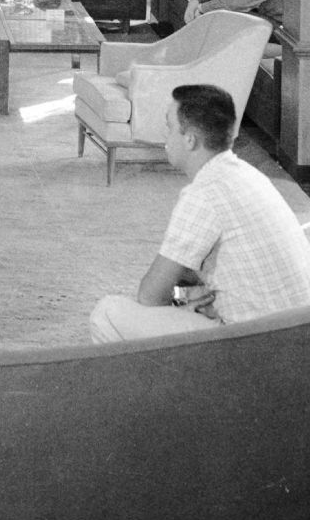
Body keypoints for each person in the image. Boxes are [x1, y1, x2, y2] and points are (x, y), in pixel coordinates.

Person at [90, 84, 310, 343]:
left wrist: (181, 305)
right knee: (189, 289)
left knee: (107, 313)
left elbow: (150, 296)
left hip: (253, 346)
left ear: (190, 139)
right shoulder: (247, 174)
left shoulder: (203, 192)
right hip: (297, 335)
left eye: (169, 126)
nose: (166, 135)